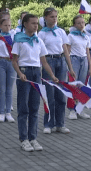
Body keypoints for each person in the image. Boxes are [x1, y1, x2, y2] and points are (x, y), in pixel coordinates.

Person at [12, 14, 58, 152]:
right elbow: (14, 60)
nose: (35, 26)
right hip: (25, 73)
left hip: (36, 73)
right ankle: (24, 139)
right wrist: (20, 74)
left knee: (34, 106)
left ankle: (33, 138)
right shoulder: (19, 40)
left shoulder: (38, 41)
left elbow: (44, 61)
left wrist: (52, 76)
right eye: (32, 23)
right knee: (23, 107)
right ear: (25, 24)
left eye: (37, 23)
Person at [38, 7, 76, 134]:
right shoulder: (42, 33)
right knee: (49, 94)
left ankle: (60, 123)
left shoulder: (60, 31)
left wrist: (70, 68)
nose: (54, 19)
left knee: (60, 94)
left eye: (55, 16)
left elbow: (65, 50)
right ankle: (48, 123)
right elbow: (40, 53)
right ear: (45, 18)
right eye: (51, 17)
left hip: (60, 61)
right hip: (49, 62)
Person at [67, 15, 91, 120]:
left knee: (82, 86)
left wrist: (90, 67)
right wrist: (70, 67)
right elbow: (67, 51)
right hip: (74, 59)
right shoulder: (71, 36)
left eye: (83, 22)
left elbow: (88, 53)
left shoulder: (86, 36)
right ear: (74, 24)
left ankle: (80, 109)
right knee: (73, 85)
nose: (81, 25)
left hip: (84, 60)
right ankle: (72, 110)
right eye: (79, 23)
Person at [0, 18, 16, 123]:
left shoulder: (13, 34)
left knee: (9, 89)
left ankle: (8, 112)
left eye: (9, 25)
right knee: (1, 89)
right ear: (0, 26)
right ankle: (1, 112)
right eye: (5, 25)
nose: (8, 27)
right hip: (1, 62)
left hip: (11, 63)